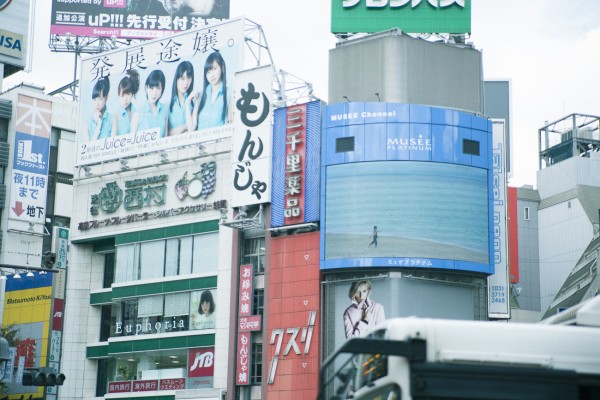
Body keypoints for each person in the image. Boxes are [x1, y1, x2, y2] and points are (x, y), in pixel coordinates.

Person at [191, 51, 232, 130]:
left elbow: (230, 125)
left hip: (220, 137)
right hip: (200, 137)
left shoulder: (230, 94)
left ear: (222, 68)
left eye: (215, 69)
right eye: (208, 72)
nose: (211, 75)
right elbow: (192, 128)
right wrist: (188, 102)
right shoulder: (201, 96)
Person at [130, 69, 168, 138]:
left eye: (158, 88)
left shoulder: (164, 111)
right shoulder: (138, 114)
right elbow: (131, 141)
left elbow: (165, 138)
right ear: (146, 88)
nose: (154, 93)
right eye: (151, 88)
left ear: (162, 90)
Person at [168, 61, 196, 136]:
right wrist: (185, 127)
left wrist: (177, 131)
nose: (186, 82)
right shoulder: (168, 106)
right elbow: (168, 133)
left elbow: (193, 129)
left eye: (189, 78)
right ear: (176, 79)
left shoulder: (194, 101)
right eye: (183, 78)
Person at [83, 76, 113, 141]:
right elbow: (88, 146)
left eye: (100, 99)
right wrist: (99, 125)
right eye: (94, 99)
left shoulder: (112, 120)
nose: (97, 104)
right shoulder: (86, 123)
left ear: (106, 98)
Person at [114, 69, 140, 135]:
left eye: (128, 94)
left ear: (132, 94)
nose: (125, 99)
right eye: (122, 95)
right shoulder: (116, 116)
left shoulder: (137, 112)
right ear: (119, 95)